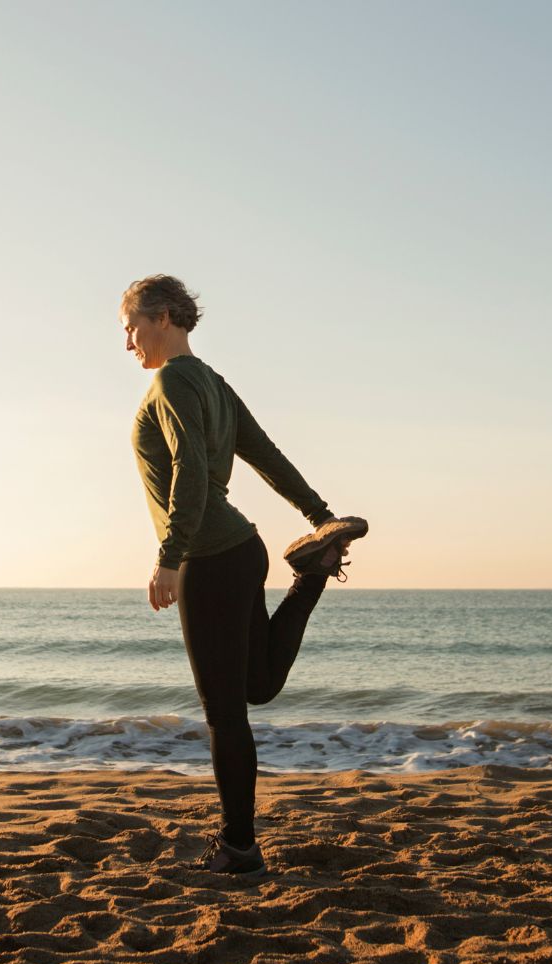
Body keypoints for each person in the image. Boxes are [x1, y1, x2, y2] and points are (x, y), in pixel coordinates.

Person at [122, 274, 368, 876]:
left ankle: (238, 848)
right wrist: (319, 516)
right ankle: (309, 574)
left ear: (165, 316)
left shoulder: (174, 379)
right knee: (255, 686)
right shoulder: (214, 381)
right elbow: (265, 453)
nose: (128, 342)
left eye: (131, 326)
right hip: (243, 549)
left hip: (210, 557)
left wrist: (171, 556)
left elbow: (190, 469)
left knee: (226, 715)